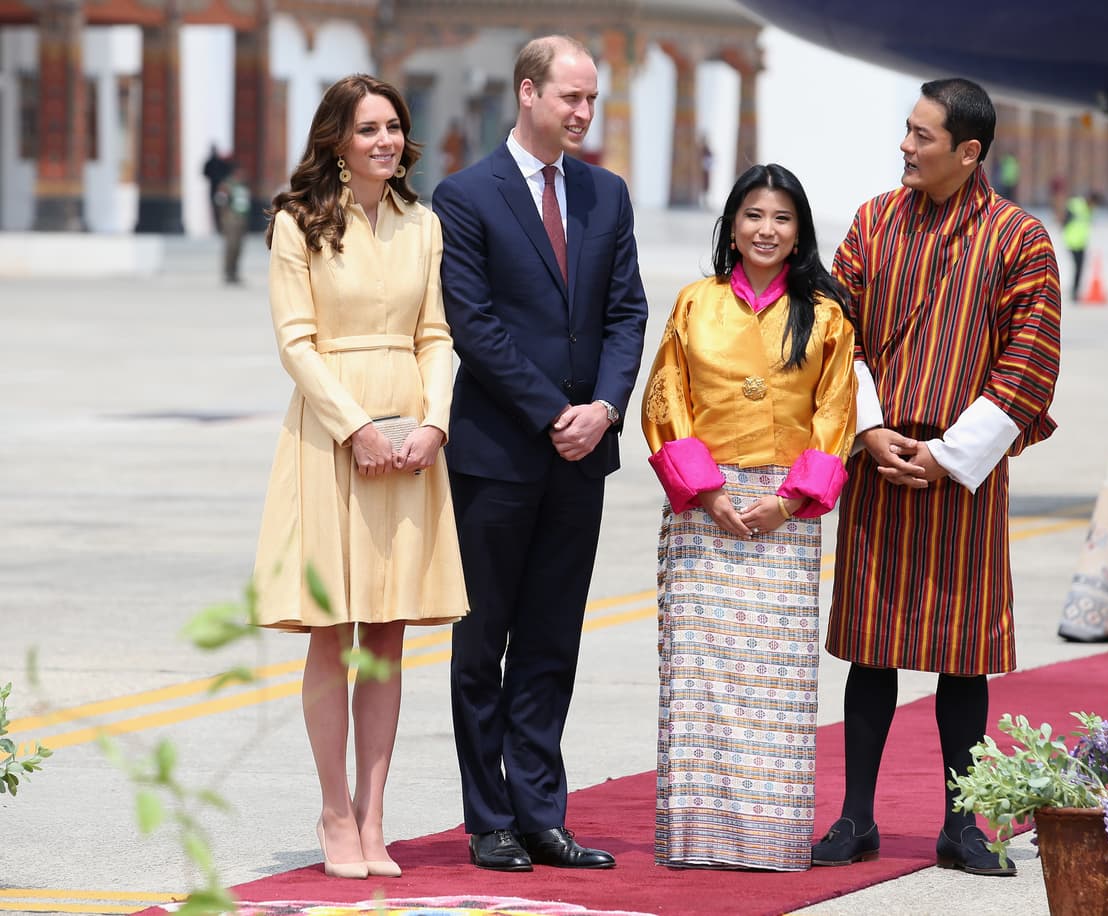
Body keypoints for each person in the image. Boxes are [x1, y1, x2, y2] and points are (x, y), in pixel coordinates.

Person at [812, 78, 1061, 876]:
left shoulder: (1020, 239)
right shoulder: (874, 222)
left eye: (922, 136)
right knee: (869, 648)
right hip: (880, 460)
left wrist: (952, 454)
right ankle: (855, 818)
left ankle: (963, 823)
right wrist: (870, 428)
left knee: (964, 654)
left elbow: (1031, 360)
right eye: (906, 131)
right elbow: (834, 331)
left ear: (969, 152)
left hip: (965, 472)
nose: (905, 147)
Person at [431, 35, 648, 873]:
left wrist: (602, 409)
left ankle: (542, 814)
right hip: (496, 456)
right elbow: (472, 323)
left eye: (592, 100)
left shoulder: (605, 194)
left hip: (581, 455)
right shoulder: (465, 195)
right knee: (483, 643)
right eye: (571, 98)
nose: (584, 114)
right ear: (528, 93)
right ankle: (488, 818)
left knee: (554, 642)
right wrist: (554, 410)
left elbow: (626, 313)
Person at [253, 74, 469, 881]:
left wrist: (434, 423)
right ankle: (333, 810)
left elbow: (436, 334)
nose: (384, 140)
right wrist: (358, 429)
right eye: (368, 128)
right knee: (332, 630)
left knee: (386, 632)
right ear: (337, 138)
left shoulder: (424, 223)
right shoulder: (296, 223)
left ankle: (377, 816)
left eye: (393, 127)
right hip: (330, 438)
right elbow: (296, 342)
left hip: (411, 441)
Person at [641, 163, 857, 871]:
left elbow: (836, 414)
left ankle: (770, 838)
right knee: (701, 677)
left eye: (782, 218)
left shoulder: (825, 316)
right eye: (754, 215)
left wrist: (788, 501)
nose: (767, 230)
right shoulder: (694, 304)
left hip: (783, 516)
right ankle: (698, 838)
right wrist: (707, 492)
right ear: (731, 225)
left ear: (800, 234)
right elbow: (666, 397)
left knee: (778, 681)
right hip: (705, 511)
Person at [213, 160, 251, 284]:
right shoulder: (227, 185)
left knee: (239, 247)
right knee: (231, 246)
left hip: (241, 219)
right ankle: (228, 272)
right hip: (231, 220)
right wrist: (224, 218)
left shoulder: (243, 185)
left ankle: (235, 272)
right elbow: (220, 201)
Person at [1063, 191, 1102, 302]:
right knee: (1077, 267)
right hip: (1071, 241)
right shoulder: (1076, 204)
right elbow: (1065, 218)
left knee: (1079, 268)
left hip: (1081, 243)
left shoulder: (1089, 211)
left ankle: (1075, 292)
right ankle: (1074, 292)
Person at [202, 144, 231, 232]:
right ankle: (220, 227)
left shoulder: (215, 162)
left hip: (220, 188)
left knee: (220, 207)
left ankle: (221, 226)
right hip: (217, 188)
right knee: (218, 208)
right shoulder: (212, 162)